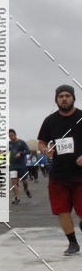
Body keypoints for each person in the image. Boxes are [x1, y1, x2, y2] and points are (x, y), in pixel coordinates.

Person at [37, 85, 82, 255]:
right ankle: (73, 243)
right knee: (62, 211)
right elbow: (41, 141)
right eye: (60, 96)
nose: (64, 99)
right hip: (59, 175)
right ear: (56, 100)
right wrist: (44, 150)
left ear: (73, 98)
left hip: (80, 175)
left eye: (67, 96)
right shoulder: (50, 121)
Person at [9, 129, 31, 205]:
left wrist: (21, 153)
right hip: (12, 165)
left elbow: (28, 151)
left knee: (24, 181)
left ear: (15, 134)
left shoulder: (21, 142)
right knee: (13, 182)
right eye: (9, 136)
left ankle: (26, 189)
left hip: (21, 165)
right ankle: (16, 198)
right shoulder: (9, 144)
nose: (11, 137)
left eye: (12, 135)